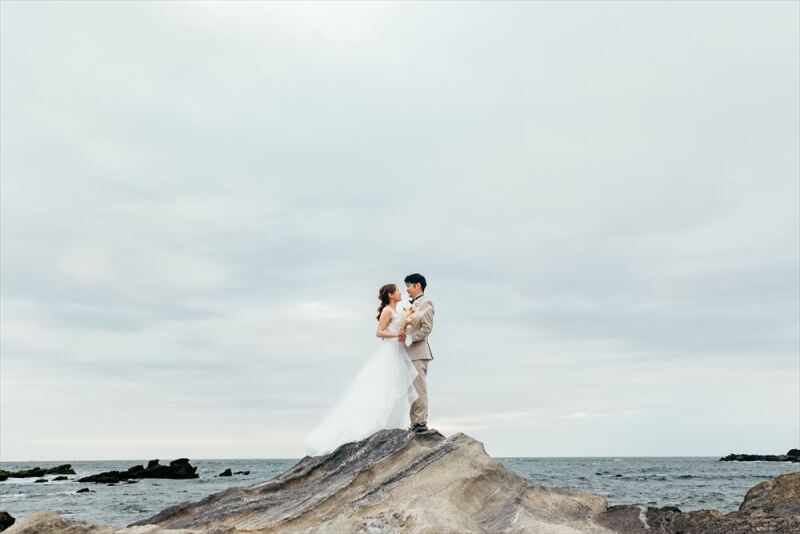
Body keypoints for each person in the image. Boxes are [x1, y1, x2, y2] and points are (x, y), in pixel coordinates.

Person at [303, 283, 420, 457]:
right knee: (385, 388)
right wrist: (397, 335)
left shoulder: (399, 311)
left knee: (396, 388)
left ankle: (391, 427)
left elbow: (399, 327)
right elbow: (379, 332)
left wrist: (403, 330)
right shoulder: (387, 311)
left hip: (398, 350)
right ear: (390, 295)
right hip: (389, 352)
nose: (400, 292)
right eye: (397, 291)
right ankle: (375, 427)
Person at [400, 273, 434, 433]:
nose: (406, 289)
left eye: (409, 285)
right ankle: (414, 422)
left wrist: (410, 338)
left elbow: (426, 328)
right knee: (411, 390)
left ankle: (421, 422)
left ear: (418, 285)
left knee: (419, 388)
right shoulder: (410, 305)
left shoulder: (426, 303)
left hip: (419, 353)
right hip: (408, 354)